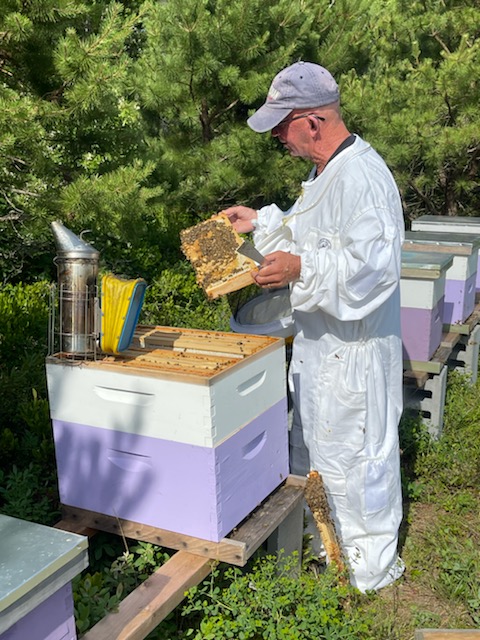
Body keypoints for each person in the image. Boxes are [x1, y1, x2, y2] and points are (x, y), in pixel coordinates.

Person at [221, 61, 405, 592]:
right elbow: (312, 236)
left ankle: (366, 571)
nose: (278, 136)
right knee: (318, 456)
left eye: (283, 125)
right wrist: (262, 223)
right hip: (321, 351)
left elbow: (374, 271)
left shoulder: (364, 178)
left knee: (357, 460)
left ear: (315, 121)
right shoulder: (325, 173)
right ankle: (325, 552)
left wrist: (303, 269)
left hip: (356, 355)